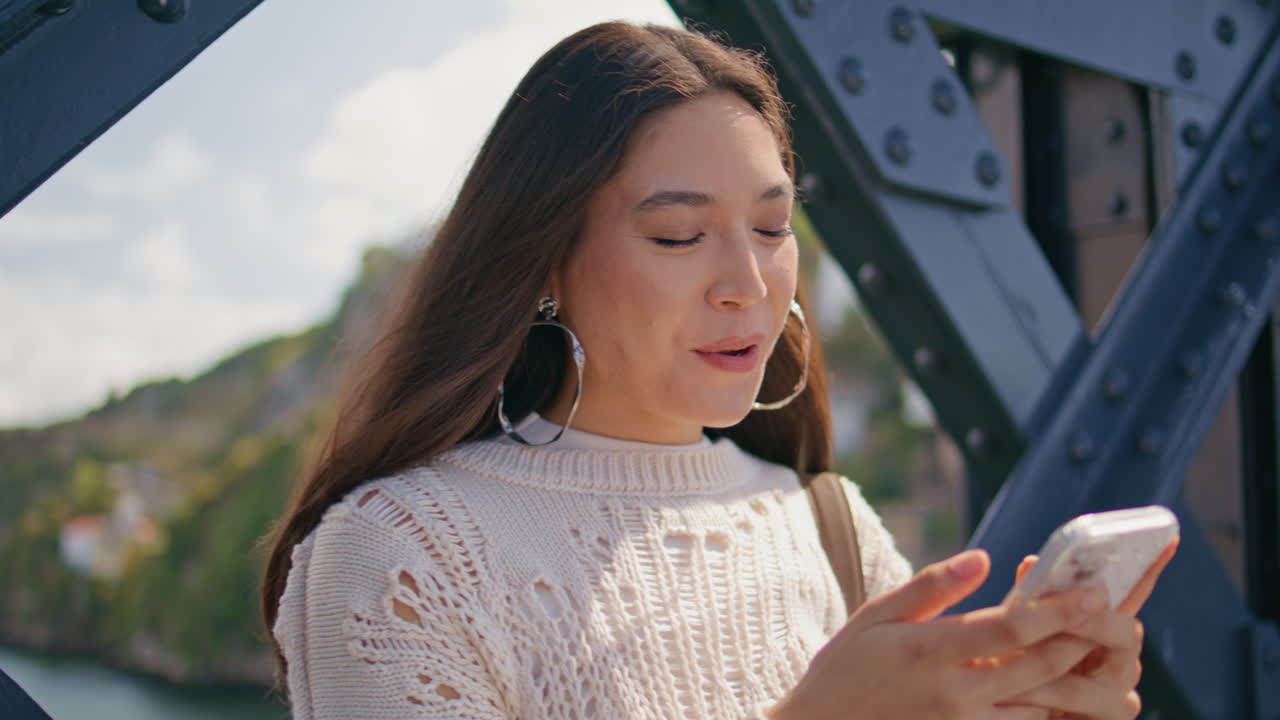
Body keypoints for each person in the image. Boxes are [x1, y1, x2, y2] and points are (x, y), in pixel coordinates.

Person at [259, 20, 1175, 719]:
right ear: (542, 259)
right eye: (678, 235)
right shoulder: (402, 555)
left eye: (773, 229)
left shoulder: (831, 527)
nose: (748, 284)